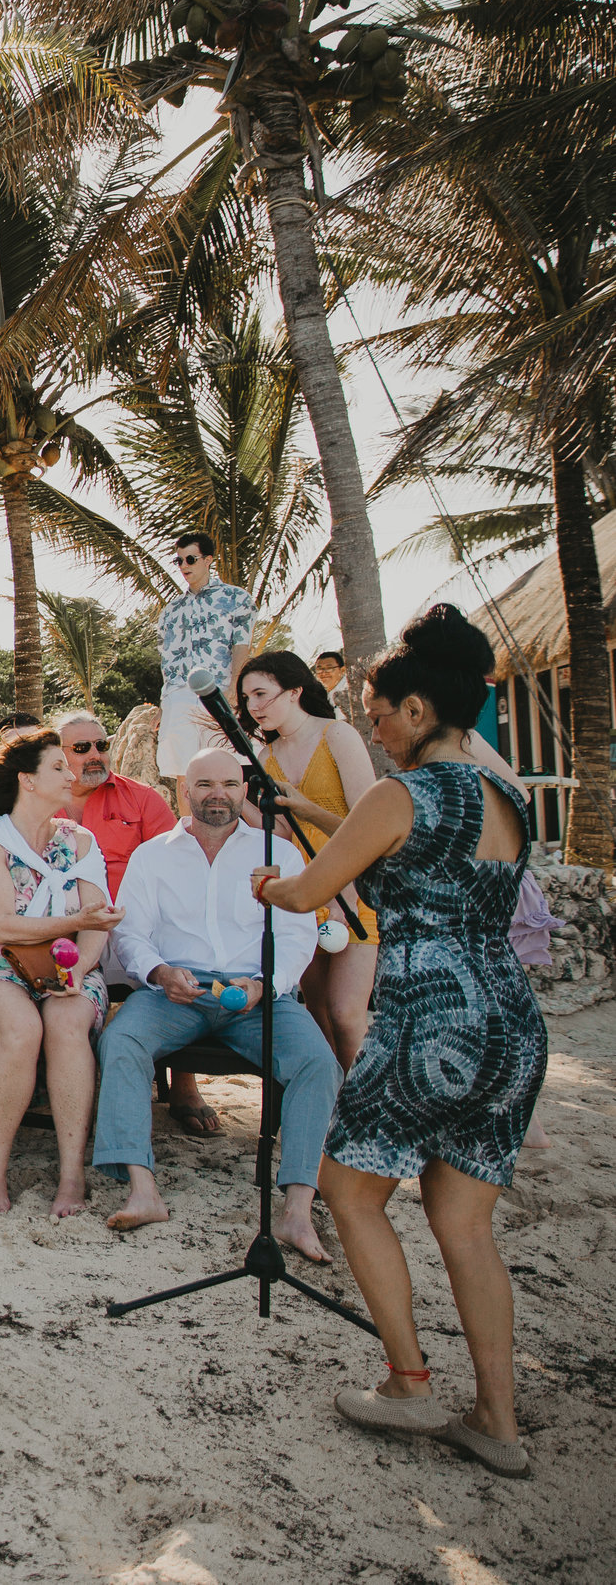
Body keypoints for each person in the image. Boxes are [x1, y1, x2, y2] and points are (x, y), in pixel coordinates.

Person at [252, 605, 548, 1479]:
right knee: (464, 1222)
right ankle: (497, 1419)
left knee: (350, 1192)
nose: (372, 729)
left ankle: (409, 1381)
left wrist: (271, 885)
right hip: (509, 1022)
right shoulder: (509, 798)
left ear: (419, 709)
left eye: (378, 713)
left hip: (429, 1017)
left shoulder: (402, 794)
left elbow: (310, 891)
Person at [98, 748, 336, 1258]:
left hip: (257, 992)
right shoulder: (153, 854)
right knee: (120, 1039)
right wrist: (160, 972)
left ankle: (296, 1210)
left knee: (317, 1063)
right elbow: (131, 934)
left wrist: (263, 984)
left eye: (229, 784)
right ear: (186, 791)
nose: (218, 795)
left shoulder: (278, 853)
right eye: (205, 784)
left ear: (244, 789)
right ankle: (143, 1190)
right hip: (175, 992)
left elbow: (298, 937)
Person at [0, 728, 122, 1217]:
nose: (72, 773)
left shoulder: (79, 840)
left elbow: (97, 920)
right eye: (59, 767)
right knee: (21, 1026)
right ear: (28, 780)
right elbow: (1, 926)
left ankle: (71, 1173)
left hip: (70, 968)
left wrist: (77, 972)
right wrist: (77, 922)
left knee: (66, 1023)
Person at [52, 706, 212, 1132]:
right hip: (61, 927)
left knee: (174, 957)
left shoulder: (141, 798)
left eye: (102, 745)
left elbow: (178, 868)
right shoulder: (41, 800)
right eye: (82, 747)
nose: (96, 755)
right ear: (58, 754)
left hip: (132, 925)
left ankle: (184, 1085)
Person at [239, 651, 382, 1065]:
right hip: (304, 894)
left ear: (295, 691)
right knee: (315, 1012)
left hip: (352, 890)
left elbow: (365, 821)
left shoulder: (337, 736)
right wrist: (238, 799)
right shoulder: (266, 757)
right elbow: (284, 833)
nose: (253, 707)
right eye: (247, 698)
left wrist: (347, 895)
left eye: (262, 694)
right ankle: (333, 1104)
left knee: (346, 1014)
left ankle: (364, 1111)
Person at [156, 532, 257, 788]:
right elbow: (167, 662)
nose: (184, 566)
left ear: (208, 559)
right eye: (179, 561)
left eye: (190, 559)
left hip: (220, 692)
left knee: (228, 769)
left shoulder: (237, 599)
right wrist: (163, 703)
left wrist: (234, 687)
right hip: (178, 697)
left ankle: (236, 829)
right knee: (184, 773)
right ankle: (188, 828)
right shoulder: (171, 611)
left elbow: (241, 645)